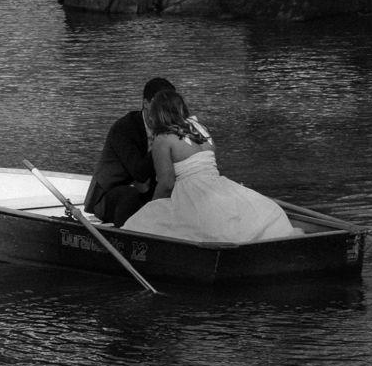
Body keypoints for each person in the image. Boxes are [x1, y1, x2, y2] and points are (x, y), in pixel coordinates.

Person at [121, 84, 295, 245]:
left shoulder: (163, 139)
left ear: (158, 114)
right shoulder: (200, 128)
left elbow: (167, 183)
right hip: (217, 184)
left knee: (143, 221)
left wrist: (153, 207)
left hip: (192, 193)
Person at [84, 76, 175, 227]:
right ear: (146, 103)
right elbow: (139, 172)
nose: (165, 111)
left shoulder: (167, 128)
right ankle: (125, 234)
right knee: (129, 195)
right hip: (110, 194)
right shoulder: (125, 128)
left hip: (146, 191)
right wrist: (162, 141)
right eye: (161, 105)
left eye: (169, 107)